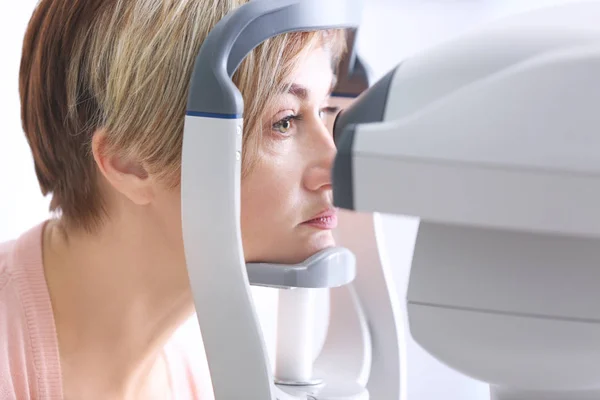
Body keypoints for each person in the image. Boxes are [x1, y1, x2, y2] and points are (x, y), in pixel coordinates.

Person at [0, 0, 347, 398]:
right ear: (131, 163)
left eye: (324, 110)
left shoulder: (190, 379)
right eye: (283, 122)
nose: (334, 168)